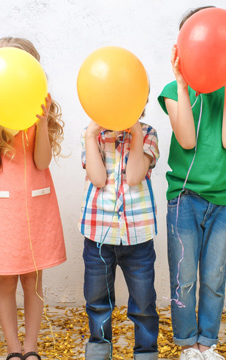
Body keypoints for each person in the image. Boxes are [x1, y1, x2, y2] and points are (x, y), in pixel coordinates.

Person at [157, 6, 226, 360]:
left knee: (213, 279)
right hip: (184, 199)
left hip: (223, 200)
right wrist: (182, 83)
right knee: (184, 278)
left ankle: (206, 343)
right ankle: (186, 343)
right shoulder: (171, 90)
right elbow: (187, 141)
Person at [0, 37, 67, 360]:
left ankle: (30, 348)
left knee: (33, 281)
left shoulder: (41, 107)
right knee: (6, 283)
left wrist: (40, 124)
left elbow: (41, 162)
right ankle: (13, 349)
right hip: (3, 211)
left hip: (36, 206)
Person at [80, 108, 160, 360]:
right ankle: (99, 349)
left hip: (138, 236)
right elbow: (98, 178)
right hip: (99, 235)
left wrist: (135, 131)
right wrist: (92, 136)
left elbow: (135, 176)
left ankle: (146, 352)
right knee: (97, 301)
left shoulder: (147, 133)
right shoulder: (91, 134)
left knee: (144, 303)